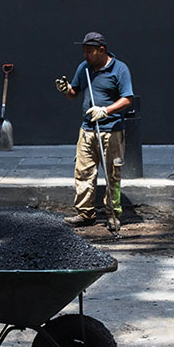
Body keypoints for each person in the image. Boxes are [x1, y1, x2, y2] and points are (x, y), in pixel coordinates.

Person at [55, 32, 133, 234]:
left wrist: (105, 110)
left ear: (101, 50)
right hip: (87, 130)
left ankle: (113, 214)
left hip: (111, 131)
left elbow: (127, 99)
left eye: (89, 52)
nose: (85, 56)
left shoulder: (119, 69)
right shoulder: (84, 68)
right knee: (83, 172)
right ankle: (84, 213)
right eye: (84, 51)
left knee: (112, 174)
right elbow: (74, 93)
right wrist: (66, 90)